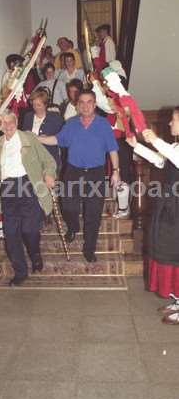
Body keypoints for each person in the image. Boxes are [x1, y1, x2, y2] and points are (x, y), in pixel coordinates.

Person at [39, 90, 120, 262]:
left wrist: (116, 171)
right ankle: (74, 227)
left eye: (89, 101)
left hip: (95, 173)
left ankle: (89, 249)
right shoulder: (71, 123)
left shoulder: (103, 124)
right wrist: (38, 139)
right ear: (77, 105)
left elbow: (112, 149)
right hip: (73, 171)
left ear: (95, 103)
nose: (85, 105)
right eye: (81, 102)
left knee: (93, 213)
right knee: (67, 206)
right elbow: (57, 139)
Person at [0, 111, 56, 285]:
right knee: (11, 234)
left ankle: (35, 255)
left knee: (29, 230)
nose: (8, 126)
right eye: (3, 123)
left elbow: (49, 161)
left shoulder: (28, 139)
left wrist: (49, 174)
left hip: (28, 186)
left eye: (10, 122)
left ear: (16, 121)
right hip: (8, 190)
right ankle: (20, 272)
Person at [126, 112, 179, 324]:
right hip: (169, 206)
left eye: (174, 119)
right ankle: (177, 299)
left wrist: (155, 139)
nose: (169, 122)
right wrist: (136, 146)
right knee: (168, 250)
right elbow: (160, 161)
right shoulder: (174, 147)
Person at [89, 65, 134, 218]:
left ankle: (124, 208)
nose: (106, 86)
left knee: (121, 174)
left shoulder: (121, 99)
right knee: (116, 174)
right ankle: (121, 206)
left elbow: (102, 102)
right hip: (114, 142)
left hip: (121, 142)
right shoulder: (117, 98)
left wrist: (95, 83)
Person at [21, 89, 63, 167]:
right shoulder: (28, 116)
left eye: (39, 105)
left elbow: (61, 138)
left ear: (45, 104)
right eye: (33, 105)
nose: (36, 108)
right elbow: (23, 136)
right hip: (32, 160)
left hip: (50, 160)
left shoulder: (55, 118)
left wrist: (44, 138)